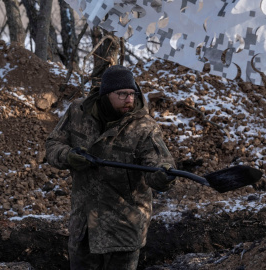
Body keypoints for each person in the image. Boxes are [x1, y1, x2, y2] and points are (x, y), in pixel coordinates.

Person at [45, 65, 176, 270]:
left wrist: (163, 174)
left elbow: (156, 164)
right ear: (106, 94)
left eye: (132, 94)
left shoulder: (144, 127)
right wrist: (68, 156)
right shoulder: (78, 112)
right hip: (84, 226)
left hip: (124, 226)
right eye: (122, 94)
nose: (129, 99)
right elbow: (52, 145)